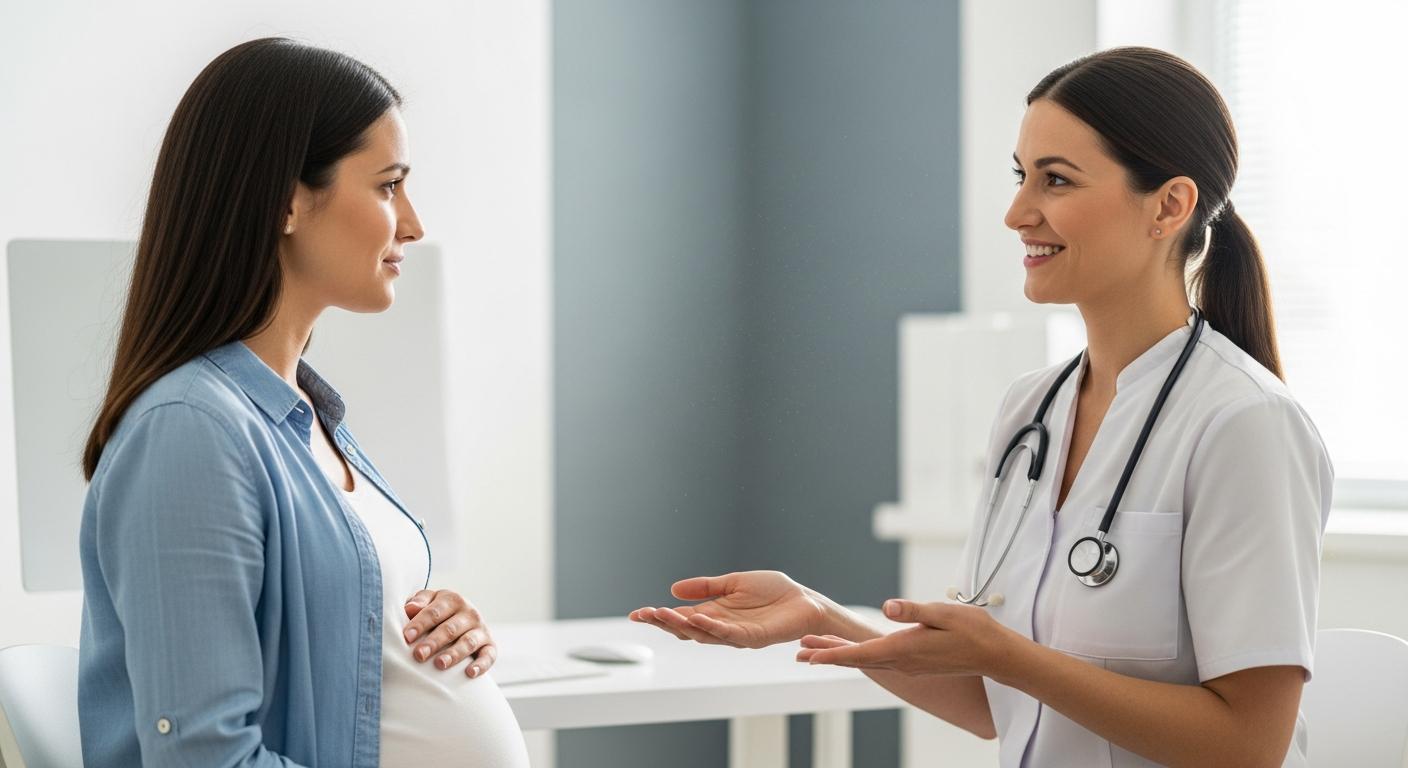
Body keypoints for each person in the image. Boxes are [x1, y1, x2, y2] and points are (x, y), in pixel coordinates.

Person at [631, 47, 1332, 767]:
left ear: (1169, 205)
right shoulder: (1031, 411)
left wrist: (1012, 657)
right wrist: (819, 614)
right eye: (1021, 175)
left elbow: (1250, 745)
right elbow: (987, 706)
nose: (1016, 212)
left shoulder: (1246, 425)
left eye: (1056, 180)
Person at [78, 38, 529, 767]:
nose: (411, 223)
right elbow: (205, 756)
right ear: (288, 200)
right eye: (387, 186)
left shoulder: (304, 416)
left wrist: (422, 628)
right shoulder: (190, 432)